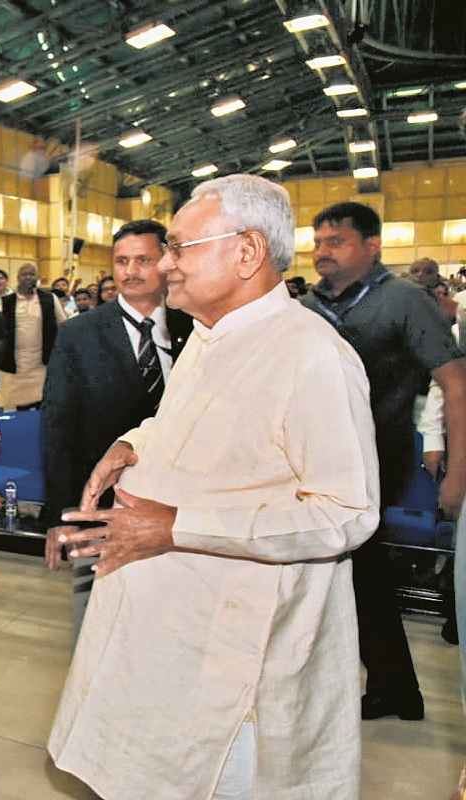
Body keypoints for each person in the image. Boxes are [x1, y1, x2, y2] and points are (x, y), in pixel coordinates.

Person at [48, 175, 379, 799]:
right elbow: (191, 422)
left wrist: (176, 526)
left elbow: (345, 512)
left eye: (180, 248)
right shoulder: (210, 335)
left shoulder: (310, 354)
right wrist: (132, 443)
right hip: (169, 632)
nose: (164, 265)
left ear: (247, 251)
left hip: (233, 652)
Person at [302, 201, 466, 721]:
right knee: (354, 579)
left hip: (374, 461)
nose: (323, 251)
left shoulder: (404, 300)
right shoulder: (306, 306)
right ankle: (394, 689)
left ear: (372, 246)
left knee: (358, 576)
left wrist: (458, 474)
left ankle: (394, 688)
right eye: (318, 242)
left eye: (337, 241)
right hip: (312, 463)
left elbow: (455, 384)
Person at [42, 219, 193, 638]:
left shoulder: (193, 326)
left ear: (167, 260)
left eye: (143, 260)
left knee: (169, 629)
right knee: (96, 628)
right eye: (122, 261)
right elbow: (58, 428)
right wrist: (62, 515)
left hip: (177, 507)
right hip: (100, 506)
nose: (130, 271)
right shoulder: (79, 334)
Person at [0, 262, 66, 410]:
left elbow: (63, 325)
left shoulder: (49, 298)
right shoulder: (6, 302)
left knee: (44, 403)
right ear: (17, 278)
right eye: (25, 274)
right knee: (19, 407)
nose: (28, 277)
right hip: (16, 365)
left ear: (37, 277)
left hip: (42, 364)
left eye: (32, 274)